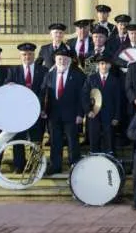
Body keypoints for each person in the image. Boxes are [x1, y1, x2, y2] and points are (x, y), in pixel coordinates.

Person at [41, 47, 86, 175]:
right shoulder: (50, 75)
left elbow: (82, 96)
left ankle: (74, 165)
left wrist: (80, 114)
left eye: (65, 59)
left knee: (73, 141)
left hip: (71, 115)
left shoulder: (78, 75)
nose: (62, 61)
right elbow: (44, 92)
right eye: (59, 59)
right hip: (53, 115)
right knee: (55, 141)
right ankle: (56, 166)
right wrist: (43, 110)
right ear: (55, 60)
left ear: (69, 60)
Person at [5, 43, 48, 172]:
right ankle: (19, 165)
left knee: (36, 140)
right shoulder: (13, 71)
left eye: (29, 54)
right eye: (24, 54)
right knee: (18, 140)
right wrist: (9, 85)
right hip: (19, 113)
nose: (27, 57)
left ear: (34, 55)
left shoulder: (43, 70)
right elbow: (8, 92)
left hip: (37, 112)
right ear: (20, 56)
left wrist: (42, 108)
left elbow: (45, 91)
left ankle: (34, 165)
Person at [82, 54, 121, 154]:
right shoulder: (91, 79)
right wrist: (88, 111)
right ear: (98, 65)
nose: (104, 66)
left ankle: (110, 159)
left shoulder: (115, 81)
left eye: (106, 64)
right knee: (94, 139)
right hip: (94, 115)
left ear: (110, 66)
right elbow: (85, 96)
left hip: (109, 115)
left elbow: (118, 100)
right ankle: (94, 157)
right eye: (102, 64)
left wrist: (116, 117)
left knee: (109, 140)